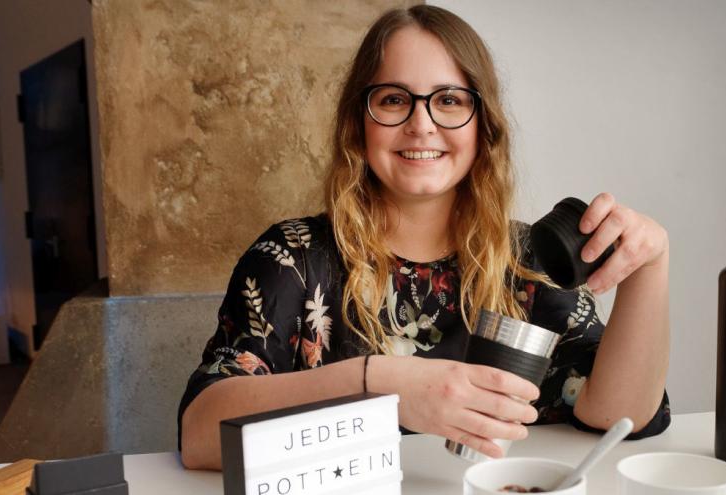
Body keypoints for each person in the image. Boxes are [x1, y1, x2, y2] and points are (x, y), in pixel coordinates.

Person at [178, 5, 671, 470]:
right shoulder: (294, 259)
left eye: (449, 100)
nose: (421, 124)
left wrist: (651, 266)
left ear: (484, 127)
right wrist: (376, 382)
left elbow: (617, 417)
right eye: (393, 99)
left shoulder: (527, 263)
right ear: (358, 123)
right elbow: (201, 437)